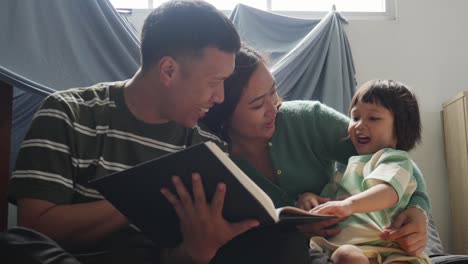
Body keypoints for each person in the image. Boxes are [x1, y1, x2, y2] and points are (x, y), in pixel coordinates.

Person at [5, 1, 310, 264]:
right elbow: (36, 226)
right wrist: (142, 198)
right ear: (168, 70)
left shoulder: (208, 149)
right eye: (214, 82)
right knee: (14, 245)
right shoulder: (69, 113)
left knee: (285, 243)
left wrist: (197, 250)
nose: (219, 97)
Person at [202, 45, 431, 262]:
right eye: (257, 105)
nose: (274, 107)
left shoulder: (307, 119)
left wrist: (418, 208)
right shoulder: (215, 163)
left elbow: (393, 157)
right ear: (224, 113)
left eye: (273, 91)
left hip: (371, 240)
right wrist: (299, 225)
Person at [299, 80, 431, 263]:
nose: (359, 125)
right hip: (349, 248)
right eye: (355, 117)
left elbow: (388, 192)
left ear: (400, 128)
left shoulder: (393, 159)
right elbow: (329, 204)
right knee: (345, 255)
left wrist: (350, 205)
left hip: (390, 248)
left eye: (373, 118)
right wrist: (310, 199)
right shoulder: (344, 169)